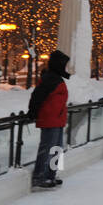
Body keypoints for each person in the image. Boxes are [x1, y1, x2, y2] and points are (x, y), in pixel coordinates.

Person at [29, 50, 70, 188]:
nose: (66, 67)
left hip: (57, 120)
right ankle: (39, 176)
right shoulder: (50, 79)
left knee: (58, 149)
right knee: (47, 148)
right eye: (64, 64)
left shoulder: (56, 77)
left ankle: (51, 175)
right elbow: (37, 96)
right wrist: (33, 112)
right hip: (50, 120)